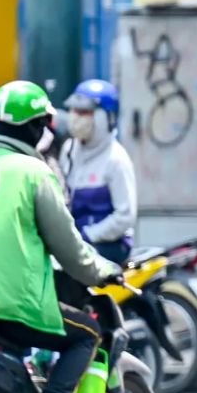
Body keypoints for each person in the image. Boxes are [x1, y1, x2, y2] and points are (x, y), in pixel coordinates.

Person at [0, 81, 121, 393]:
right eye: (45, 123)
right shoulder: (35, 173)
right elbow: (70, 249)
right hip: (12, 305)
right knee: (88, 333)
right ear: (35, 127)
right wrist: (102, 271)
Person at [59, 79, 137, 265]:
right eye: (73, 110)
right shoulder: (69, 150)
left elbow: (125, 216)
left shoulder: (116, 159)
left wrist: (88, 235)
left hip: (111, 244)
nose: (75, 117)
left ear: (104, 117)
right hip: (76, 241)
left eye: (83, 112)